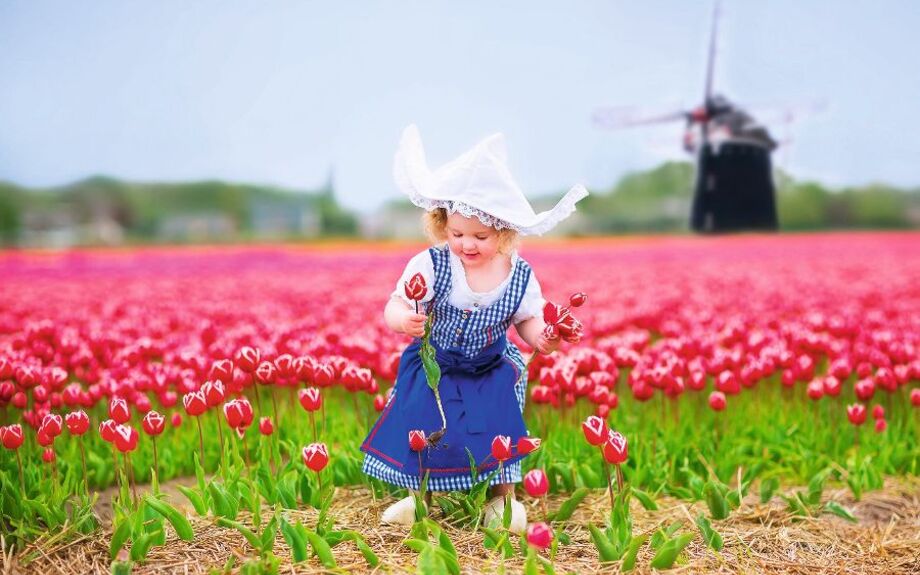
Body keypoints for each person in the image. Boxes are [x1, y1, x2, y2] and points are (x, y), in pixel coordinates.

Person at [360, 125, 587, 533]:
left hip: (490, 365)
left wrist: (544, 337)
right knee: (425, 424)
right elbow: (395, 304)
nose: (467, 244)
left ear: (503, 232)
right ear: (443, 226)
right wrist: (403, 320)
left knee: (500, 426)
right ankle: (420, 498)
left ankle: (502, 501)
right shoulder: (432, 264)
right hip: (436, 363)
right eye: (457, 233)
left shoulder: (518, 274)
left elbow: (528, 321)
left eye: (480, 236)